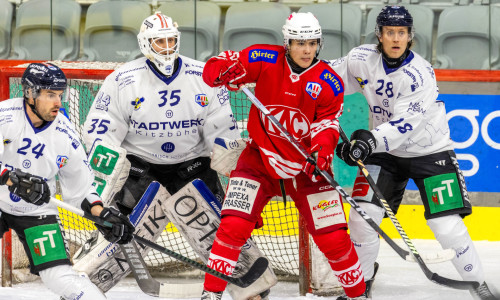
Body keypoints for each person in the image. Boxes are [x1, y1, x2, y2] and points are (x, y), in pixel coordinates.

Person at [329, 5, 497, 300]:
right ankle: (361, 284)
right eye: (390, 32)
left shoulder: (420, 74)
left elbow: (405, 124)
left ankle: (478, 284)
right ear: (379, 35)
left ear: (410, 37)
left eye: (402, 33)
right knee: (362, 216)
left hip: (430, 152)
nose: (396, 38)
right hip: (385, 154)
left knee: (445, 225)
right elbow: (326, 80)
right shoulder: (360, 59)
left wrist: (367, 141)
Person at [200, 12, 368, 300]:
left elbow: (327, 125)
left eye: (313, 43)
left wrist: (322, 153)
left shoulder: (330, 81)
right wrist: (222, 71)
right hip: (260, 158)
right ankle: (211, 293)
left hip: (306, 166)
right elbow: (213, 69)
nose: (307, 50)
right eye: (300, 43)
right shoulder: (263, 56)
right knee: (233, 225)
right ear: (287, 42)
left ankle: (357, 295)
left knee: (334, 237)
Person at [0, 63, 135, 300]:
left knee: (59, 276)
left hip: (37, 210)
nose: (58, 103)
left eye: (60, 95)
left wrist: (101, 213)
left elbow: (81, 186)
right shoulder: (5, 116)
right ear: (30, 93)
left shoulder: (65, 133)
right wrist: (9, 178)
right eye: (50, 95)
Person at [83, 12, 240, 214]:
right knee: (123, 233)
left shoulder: (204, 76)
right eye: (159, 41)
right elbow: (102, 130)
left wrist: (237, 187)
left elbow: (223, 130)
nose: (167, 47)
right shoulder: (122, 80)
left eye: (171, 40)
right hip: (140, 169)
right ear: (145, 43)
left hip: (193, 165)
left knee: (222, 232)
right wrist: (101, 185)